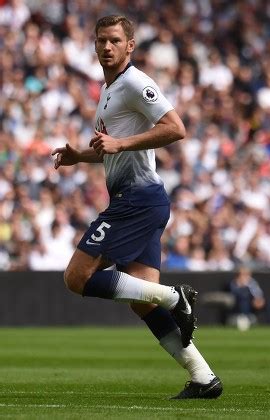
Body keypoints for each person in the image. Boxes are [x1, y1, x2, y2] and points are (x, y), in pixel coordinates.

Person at [52, 15, 222, 399]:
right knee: (142, 302)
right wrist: (82, 155)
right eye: (100, 41)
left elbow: (176, 128)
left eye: (114, 40)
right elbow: (114, 149)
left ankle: (175, 297)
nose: (106, 47)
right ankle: (202, 377)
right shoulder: (109, 89)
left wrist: (120, 145)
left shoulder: (135, 83)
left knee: (76, 277)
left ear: (130, 46)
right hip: (140, 200)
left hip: (138, 201)